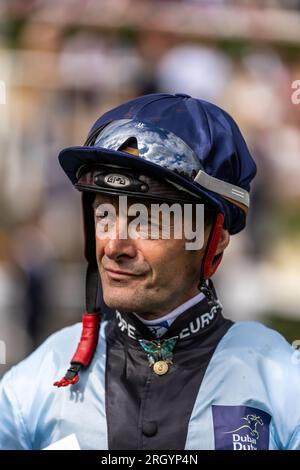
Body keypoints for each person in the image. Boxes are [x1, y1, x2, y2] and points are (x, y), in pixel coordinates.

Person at [0, 93, 299, 451]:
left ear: (216, 240)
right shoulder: (36, 381)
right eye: (104, 215)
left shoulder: (282, 382)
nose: (113, 247)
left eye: (150, 222)